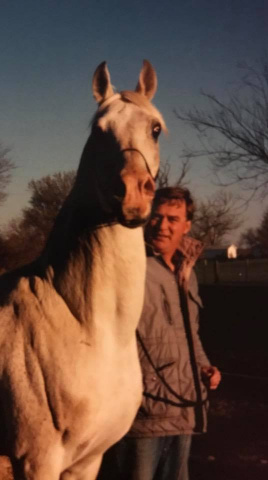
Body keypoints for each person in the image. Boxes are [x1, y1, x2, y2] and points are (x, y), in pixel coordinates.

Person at [98, 186, 221, 480]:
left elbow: (190, 333)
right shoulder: (128, 266)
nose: (162, 226)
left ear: (187, 225)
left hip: (184, 408)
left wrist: (205, 366)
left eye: (172, 219)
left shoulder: (187, 272)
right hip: (142, 412)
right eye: (156, 217)